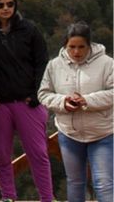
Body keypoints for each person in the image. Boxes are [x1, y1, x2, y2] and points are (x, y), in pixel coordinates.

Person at [0, 0, 53, 202]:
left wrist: (37, 93)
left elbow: (42, 62)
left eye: (10, 4)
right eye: (0, 5)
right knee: (1, 156)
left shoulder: (29, 29)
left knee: (38, 153)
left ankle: (47, 198)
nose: (6, 8)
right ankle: (8, 197)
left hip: (28, 101)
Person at [39, 22, 113, 202]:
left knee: (104, 184)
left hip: (103, 133)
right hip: (69, 133)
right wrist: (63, 101)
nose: (76, 52)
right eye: (71, 47)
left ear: (90, 45)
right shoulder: (54, 65)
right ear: (65, 45)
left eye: (81, 47)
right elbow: (43, 94)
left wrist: (87, 100)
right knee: (75, 182)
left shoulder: (107, 63)